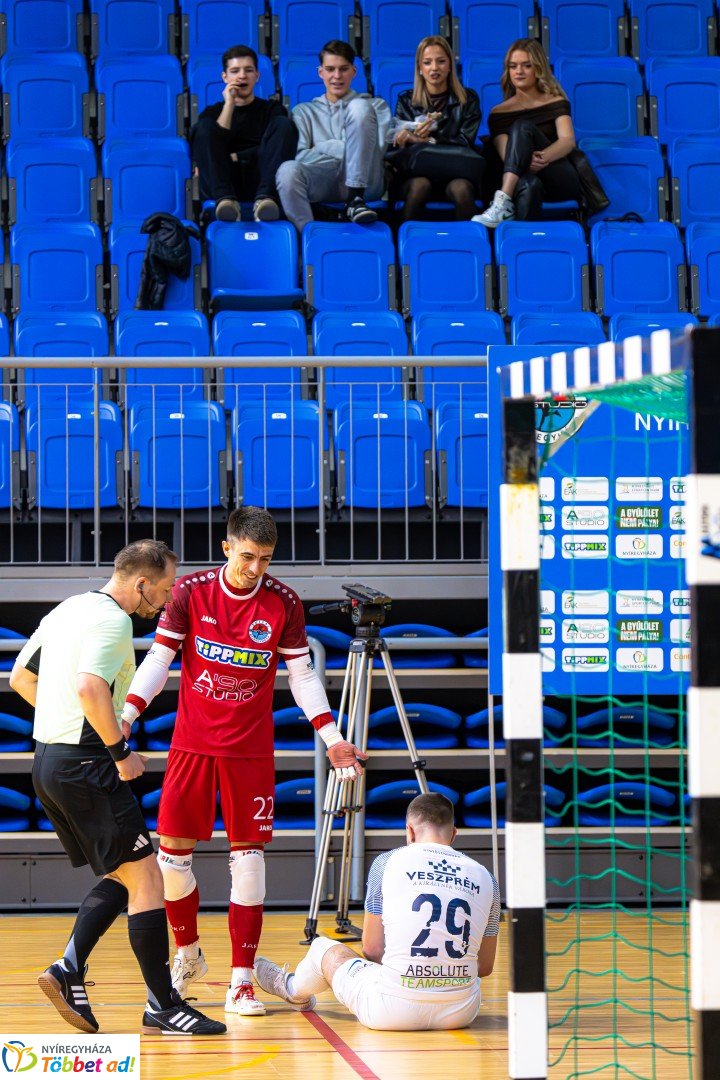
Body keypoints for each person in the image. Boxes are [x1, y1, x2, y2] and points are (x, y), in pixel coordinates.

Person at [120, 506, 367, 1016]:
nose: (257, 569)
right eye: (249, 556)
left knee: (249, 863)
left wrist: (333, 737)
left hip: (250, 750)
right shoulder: (190, 592)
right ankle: (187, 953)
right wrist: (125, 716)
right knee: (172, 859)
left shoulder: (284, 603)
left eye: (267, 559)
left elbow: (302, 677)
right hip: (191, 744)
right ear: (227, 546)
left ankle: (242, 980)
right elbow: (159, 661)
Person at [9, 540, 226, 1037]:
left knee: (129, 872)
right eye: (164, 590)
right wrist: (119, 752)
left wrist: (67, 724)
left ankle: (68, 968)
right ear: (140, 583)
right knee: (148, 878)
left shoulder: (69, 608)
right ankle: (162, 1005)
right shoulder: (114, 620)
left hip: (49, 761)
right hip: (87, 764)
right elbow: (89, 688)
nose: (165, 601)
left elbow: (21, 677)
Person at [255, 792, 500, 1030]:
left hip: (391, 1010)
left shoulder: (387, 863)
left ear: (410, 830)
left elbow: (372, 950)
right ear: (454, 834)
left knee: (324, 949)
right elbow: (485, 966)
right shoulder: (486, 877)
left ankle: (292, 989)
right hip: (461, 1012)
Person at [276, 39, 392, 232]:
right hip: (326, 179)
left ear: (354, 72)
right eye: (330, 69)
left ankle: (356, 199)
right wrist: (349, 148)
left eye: (343, 69)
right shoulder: (304, 111)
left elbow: (375, 152)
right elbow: (300, 155)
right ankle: (308, 236)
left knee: (360, 107)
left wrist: (321, 146)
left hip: (367, 182)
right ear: (321, 72)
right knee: (287, 170)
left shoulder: (375, 106)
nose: (336, 76)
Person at [473, 38, 582, 227]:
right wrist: (526, 163)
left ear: (538, 69)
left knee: (522, 126)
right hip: (522, 176)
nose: (519, 71)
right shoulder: (499, 112)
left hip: (557, 175)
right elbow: (506, 154)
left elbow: (567, 141)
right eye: (513, 66)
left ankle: (503, 199)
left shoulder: (555, 101)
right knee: (529, 185)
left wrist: (542, 158)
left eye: (526, 66)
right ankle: (520, 245)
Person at [191, 44, 298, 222]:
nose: (242, 76)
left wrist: (233, 156)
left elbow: (275, 151)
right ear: (225, 77)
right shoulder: (211, 113)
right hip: (223, 182)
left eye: (248, 70)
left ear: (257, 76)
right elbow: (213, 145)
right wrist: (229, 104)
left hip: (262, 180)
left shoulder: (272, 109)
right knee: (205, 128)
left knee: (284, 125)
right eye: (235, 71)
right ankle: (225, 202)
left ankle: (265, 200)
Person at [386, 35, 484, 220]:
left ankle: (469, 244)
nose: (434, 68)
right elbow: (401, 146)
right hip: (417, 173)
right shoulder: (406, 101)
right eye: (427, 62)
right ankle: (405, 243)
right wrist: (412, 139)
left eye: (440, 62)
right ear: (420, 68)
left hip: (456, 171)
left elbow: (464, 142)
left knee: (461, 189)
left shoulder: (467, 99)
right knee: (419, 186)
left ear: (449, 66)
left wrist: (424, 140)